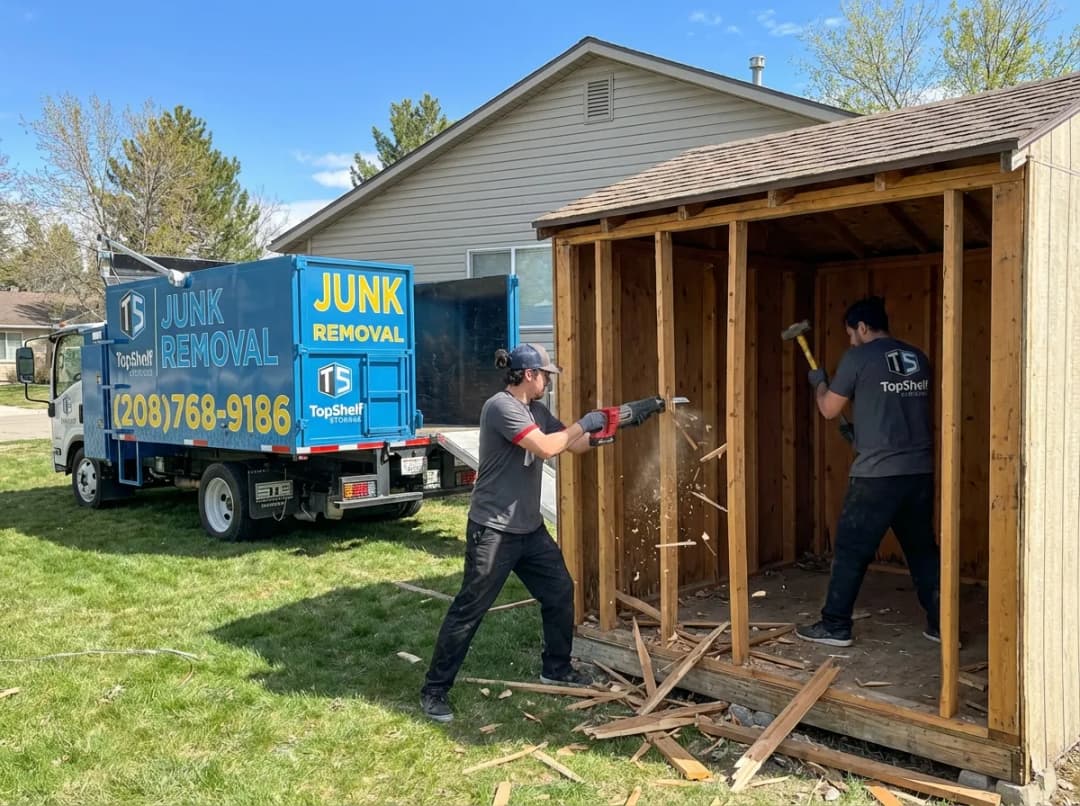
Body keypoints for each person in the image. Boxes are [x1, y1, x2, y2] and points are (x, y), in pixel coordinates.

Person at [419, 343, 608, 723]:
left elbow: (574, 445)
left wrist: (606, 431)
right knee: (469, 610)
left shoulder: (536, 409)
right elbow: (546, 447)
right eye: (545, 375)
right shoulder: (501, 407)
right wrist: (584, 421)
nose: (548, 382)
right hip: (494, 530)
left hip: (528, 528)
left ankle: (555, 668)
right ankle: (434, 691)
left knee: (558, 593)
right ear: (528, 375)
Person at [796, 296, 941, 648]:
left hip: (876, 476)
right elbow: (894, 407)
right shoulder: (917, 358)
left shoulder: (858, 357)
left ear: (862, 328)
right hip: (918, 472)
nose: (850, 340)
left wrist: (819, 382)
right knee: (922, 550)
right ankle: (942, 624)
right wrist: (861, 432)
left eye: (850, 333)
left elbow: (829, 409)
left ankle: (835, 625)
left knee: (850, 550)